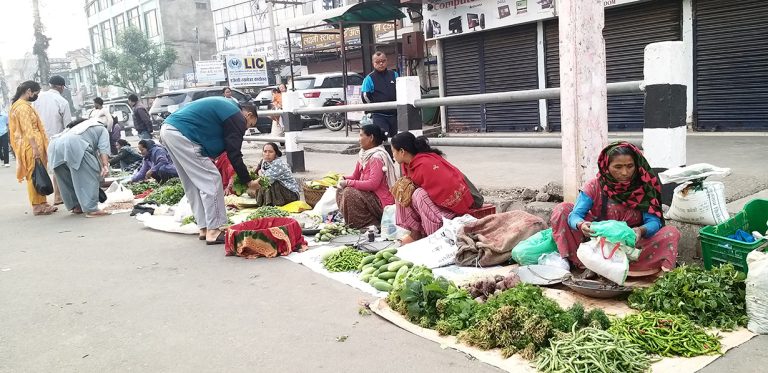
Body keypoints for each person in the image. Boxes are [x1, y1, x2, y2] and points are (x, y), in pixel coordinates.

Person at [550, 141, 680, 277]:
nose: (625, 173)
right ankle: (584, 264)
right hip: (595, 244)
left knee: (671, 233)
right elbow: (575, 215)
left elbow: (654, 221)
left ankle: (628, 270)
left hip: (631, 246)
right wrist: (581, 225)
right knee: (562, 209)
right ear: (606, 167)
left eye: (630, 166)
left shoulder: (644, 188)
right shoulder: (595, 186)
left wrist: (640, 231)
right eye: (618, 167)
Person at [159, 97, 260, 245]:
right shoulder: (236, 116)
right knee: (212, 179)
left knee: (192, 183)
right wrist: (248, 181)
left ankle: (204, 227)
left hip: (169, 129)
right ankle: (215, 230)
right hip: (183, 133)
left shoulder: (227, 106)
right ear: (248, 115)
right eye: (250, 125)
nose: (245, 129)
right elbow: (234, 152)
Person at [391, 132, 482, 244]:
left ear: (402, 151)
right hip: (436, 207)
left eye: (393, 151)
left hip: (453, 210)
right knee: (402, 190)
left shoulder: (424, 164)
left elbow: (445, 190)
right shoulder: (409, 165)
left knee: (419, 194)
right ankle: (417, 232)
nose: (393, 155)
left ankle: (435, 234)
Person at [8, 81, 57, 215]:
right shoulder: (22, 107)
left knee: (38, 172)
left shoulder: (22, 105)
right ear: (29, 91)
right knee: (33, 174)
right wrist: (35, 148)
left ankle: (43, 202)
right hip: (30, 145)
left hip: (33, 143)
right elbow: (27, 129)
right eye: (36, 93)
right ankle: (37, 205)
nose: (36, 96)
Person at [336, 125, 396, 229]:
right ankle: (355, 222)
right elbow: (355, 176)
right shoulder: (364, 155)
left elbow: (373, 184)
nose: (359, 139)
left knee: (349, 193)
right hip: (369, 197)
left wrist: (348, 183)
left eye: (361, 135)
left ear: (371, 138)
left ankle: (369, 223)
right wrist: (344, 179)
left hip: (380, 201)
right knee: (340, 190)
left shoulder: (376, 157)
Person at [48, 118, 110, 217]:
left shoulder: (78, 128)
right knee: (89, 175)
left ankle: (76, 206)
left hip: (55, 144)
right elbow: (104, 148)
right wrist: (105, 165)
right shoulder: (102, 128)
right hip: (75, 143)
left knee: (66, 178)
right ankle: (92, 209)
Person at [33, 75, 72, 205]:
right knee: (58, 167)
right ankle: (58, 197)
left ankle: (40, 201)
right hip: (56, 138)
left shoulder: (37, 98)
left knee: (40, 168)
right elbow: (68, 125)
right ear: (60, 87)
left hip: (38, 138)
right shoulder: (62, 101)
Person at [362, 51, 398, 153]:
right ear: (373, 63)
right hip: (379, 116)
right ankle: (387, 159)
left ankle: (396, 158)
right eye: (377, 62)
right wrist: (374, 107)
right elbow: (365, 96)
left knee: (397, 140)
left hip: (395, 114)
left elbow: (401, 90)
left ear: (386, 61)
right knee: (383, 139)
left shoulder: (394, 75)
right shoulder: (369, 78)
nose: (381, 64)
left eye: (383, 61)